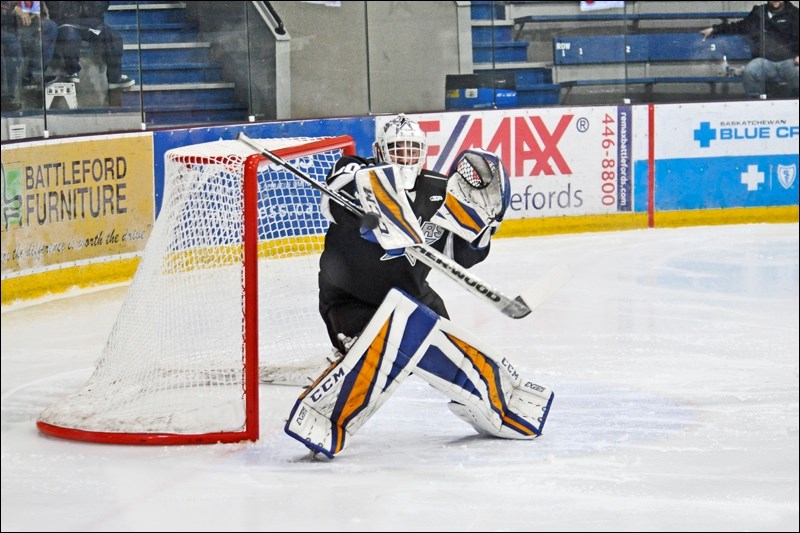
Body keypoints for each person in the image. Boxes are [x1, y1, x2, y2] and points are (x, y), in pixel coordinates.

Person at [284, 114, 554, 458]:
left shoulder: (438, 191)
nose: (405, 157)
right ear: (380, 149)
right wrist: (367, 214)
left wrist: (482, 231)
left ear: (424, 153)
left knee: (447, 352)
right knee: (386, 345)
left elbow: (458, 255)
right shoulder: (352, 169)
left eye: (412, 150)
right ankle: (327, 416)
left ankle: (500, 403)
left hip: (416, 298)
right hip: (352, 302)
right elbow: (334, 200)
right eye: (397, 149)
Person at [700, 0, 799, 98]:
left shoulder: (794, 13)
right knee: (750, 71)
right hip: (764, 61)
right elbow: (740, 26)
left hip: (789, 61)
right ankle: (755, 103)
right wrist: (715, 29)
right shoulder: (759, 13)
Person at [46, 1, 134, 89]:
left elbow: (102, 6)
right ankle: (71, 72)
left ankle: (115, 78)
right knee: (70, 35)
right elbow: (55, 9)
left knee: (114, 37)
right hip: (66, 22)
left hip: (92, 23)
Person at [17, 1, 58, 91]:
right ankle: (34, 74)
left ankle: (35, 74)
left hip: (32, 25)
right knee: (50, 27)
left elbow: (41, 14)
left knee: (49, 27)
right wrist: (16, 10)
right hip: (14, 27)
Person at [1, 1, 23, 111]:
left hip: (12, 31)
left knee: (13, 48)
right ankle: (4, 97)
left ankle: (8, 98)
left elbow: (35, 11)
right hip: (7, 32)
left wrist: (28, 13)